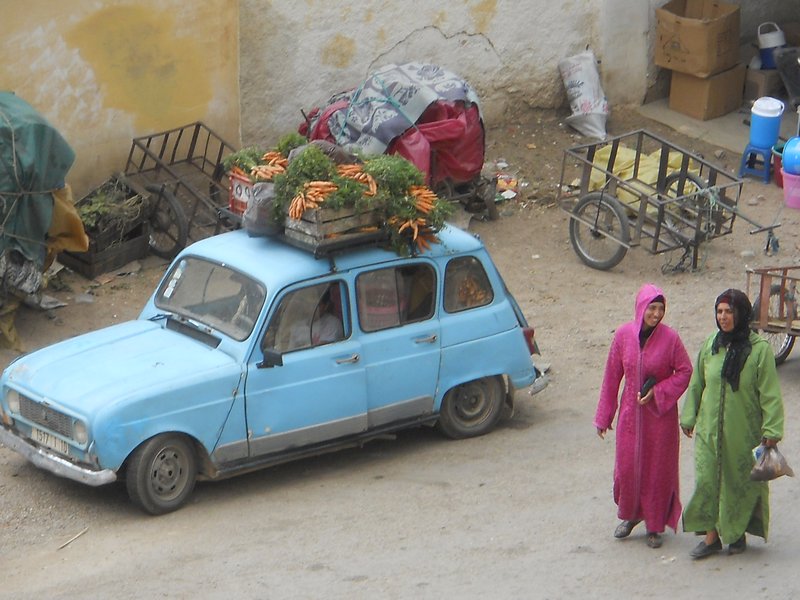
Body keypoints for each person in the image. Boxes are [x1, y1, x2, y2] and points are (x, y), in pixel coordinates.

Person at [680, 288, 785, 559]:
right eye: (719, 312)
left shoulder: (759, 351)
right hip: (709, 430)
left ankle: (736, 533)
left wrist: (772, 430)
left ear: (741, 314)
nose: (723, 317)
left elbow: (770, 393)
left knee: (738, 482)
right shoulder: (711, 344)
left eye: (729, 312)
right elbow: (697, 383)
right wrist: (689, 416)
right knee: (707, 480)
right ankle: (712, 537)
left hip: (743, 431)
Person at [594, 283, 693, 549]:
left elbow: (685, 370)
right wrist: (604, 416)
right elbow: (612, 376)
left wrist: (659, 392)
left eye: (661, 308)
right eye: (652, 308)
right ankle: (630, 516)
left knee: (656, 471)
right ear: (641, 308)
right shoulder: (624, 336)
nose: (657, 314)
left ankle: (654, 525)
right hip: (630, 415)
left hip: (660, 419)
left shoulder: (670, 339)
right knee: (628, 467)